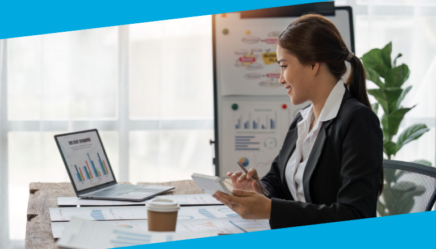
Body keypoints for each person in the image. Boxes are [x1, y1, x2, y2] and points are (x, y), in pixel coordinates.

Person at [212, 14, 383, 229]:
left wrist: (270, 209)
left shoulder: (357, 121)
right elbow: (278, 179)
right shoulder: (303, 117)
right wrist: (259, 189)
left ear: (313, 64)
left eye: (284, 66)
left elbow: (357, 215)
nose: (280, 78)